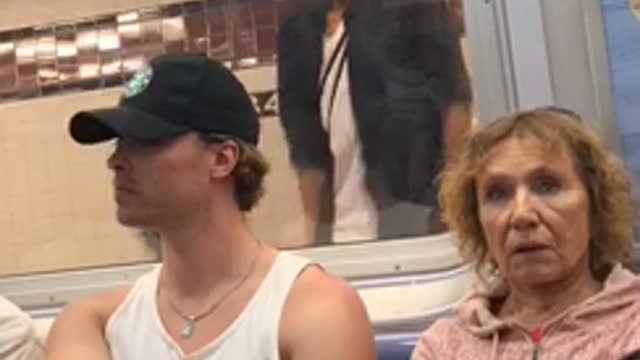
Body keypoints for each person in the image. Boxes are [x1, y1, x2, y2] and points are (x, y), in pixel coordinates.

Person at [45, 53, 376, 360]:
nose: (116, 161)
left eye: (144, 141)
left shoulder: (316, 311)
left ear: (222, 158)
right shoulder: (92, 325)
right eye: (120, 143)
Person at [412, 107, 640, 359]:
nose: (521, 215)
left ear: (595, 206)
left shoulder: (632, 329)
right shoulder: (443, 348)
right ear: (478, 222)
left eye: (547, 187)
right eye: (498, 194)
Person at [277, 0, 472, 244]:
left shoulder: (412, 10)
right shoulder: (299, 30)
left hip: (414, 216)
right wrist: (313, 228)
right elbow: (304, 146)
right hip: (336, 231)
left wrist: (453, 205)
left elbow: (454, 103)